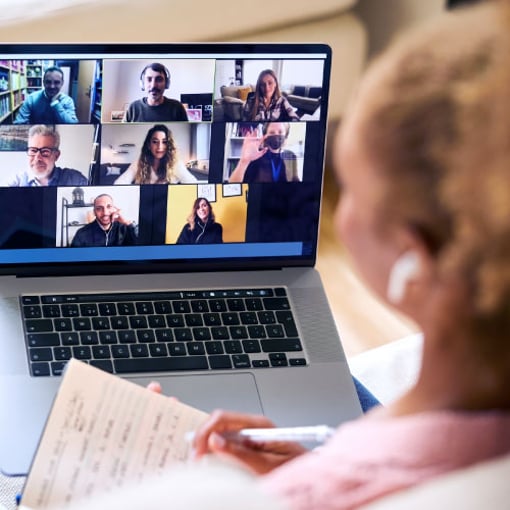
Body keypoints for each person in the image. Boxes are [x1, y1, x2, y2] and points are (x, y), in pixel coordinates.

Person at [186, 1, 510, 509]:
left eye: (351, 188)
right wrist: (315, 461)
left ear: (413, 260)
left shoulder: (305, 497)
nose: (339, 211)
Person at [114, 124, 197, 184]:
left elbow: (193, 184)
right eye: (155, 142)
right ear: (149, 145)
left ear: (169, 145)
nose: (159, 146)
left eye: (164, 142)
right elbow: (120, 182)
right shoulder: (139, 163)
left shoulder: (176, 164)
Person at [8, 124, 88, 187]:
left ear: (56, 156)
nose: (37, 158)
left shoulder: (76, 180)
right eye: (33, 150)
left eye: (45, 151)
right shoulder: (16, 182)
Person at [228, 122, 299, 183]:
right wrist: (244, 161)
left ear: (286, 135)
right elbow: (233, 184)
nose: (276, 135)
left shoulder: (291, 155)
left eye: (280, 132)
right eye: (272, 132)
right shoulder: (255, 155)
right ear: (265, 136)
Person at [123, 63, 189, 122]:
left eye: (159, 79)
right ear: (142, 84)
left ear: (166, 83)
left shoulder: (177, 108)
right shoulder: (133, 108)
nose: (153, 85)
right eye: (149, 79)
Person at [14, 66, 78, 124]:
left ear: (62, 83)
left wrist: (56, 104)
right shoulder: (31, 99)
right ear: (43, 82)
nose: (52, 86)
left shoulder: (68, 101)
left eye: (56, 82)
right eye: (48, 82)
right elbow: (18, 122)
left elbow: (73, 125)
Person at [71, 194, 138, 247]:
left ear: (114, 209)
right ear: (94, 212)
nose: (105, 213)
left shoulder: (125, 228)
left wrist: (127, 223)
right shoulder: (81, 233)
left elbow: (141, 248)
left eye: (109, 207)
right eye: (99, 208)